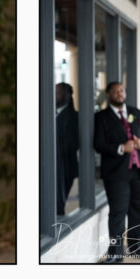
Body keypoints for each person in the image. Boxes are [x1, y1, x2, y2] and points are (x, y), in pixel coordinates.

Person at [93, 82, 140, 262]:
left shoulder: (136, 113)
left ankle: (136, 247)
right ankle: (115, 252)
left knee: (137, 211)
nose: (119, 94)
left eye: (121, 90)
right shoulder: (101, 117)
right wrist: (121, 148)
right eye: (115, 91)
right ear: (108, 95)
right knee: (118, 212)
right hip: (116, 174)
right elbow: (98, 144)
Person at [55, 82, 79, 216]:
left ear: (68, 95)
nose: (55, 95)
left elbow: (72, 144)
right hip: (53, 168)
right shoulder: (50, 116)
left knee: (61, 206)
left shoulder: (74, 117)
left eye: (58, 92)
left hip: (66, 168)